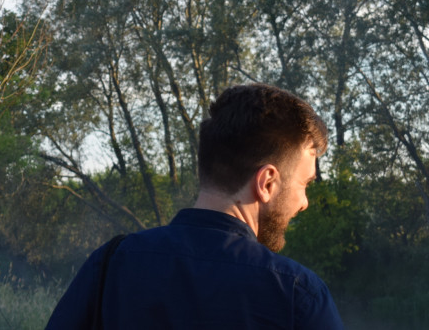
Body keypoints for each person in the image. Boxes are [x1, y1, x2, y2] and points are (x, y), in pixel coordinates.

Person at [45, 83, 345, 329]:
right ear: (267, 183)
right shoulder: (297, 295)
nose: (304, 203)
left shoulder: (109, 266)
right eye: (305, 184)